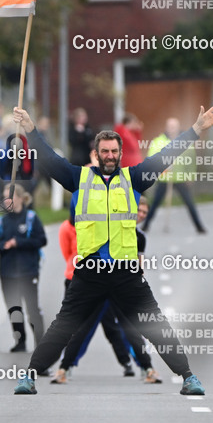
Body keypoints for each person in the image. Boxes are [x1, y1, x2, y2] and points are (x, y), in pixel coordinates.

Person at [10, 103, 213, 396]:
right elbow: (47, 159)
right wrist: (31, 130)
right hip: (90, 271)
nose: (110, 156)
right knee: (64, 327)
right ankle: (30, 376)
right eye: (105, 152)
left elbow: (165, 157)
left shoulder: (133, 178)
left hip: (126, 271)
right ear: (96, 154)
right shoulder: (78, 178)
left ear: (120, 154)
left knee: (155, 324)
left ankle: (188, 377)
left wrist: (196, 130)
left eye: (114, 151)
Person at [51, 161, 159, 384]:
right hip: (96, 280)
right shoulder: (109, 219)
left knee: (129, 327)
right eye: (139, 210)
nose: (141, 215)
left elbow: (139, 265)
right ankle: (64, 367)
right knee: (83, 327)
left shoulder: (139, 238)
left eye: (145, 213)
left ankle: (146, 367)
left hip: (122, 283)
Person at [0, 183, 46, 353]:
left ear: (21, 198)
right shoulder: (1, 221)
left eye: (11, 197)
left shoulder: (31, 218)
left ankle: (41, 344)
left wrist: (19, 243)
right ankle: (20, 341)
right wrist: (3, 246)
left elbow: (41, 240)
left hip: (28, 271)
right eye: (6, 197)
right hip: (7, 272)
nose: (8, 201)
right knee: (14, 308)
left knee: (32, 308)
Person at [141, 117, 206, 234]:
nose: (172, 129)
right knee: (155, 203)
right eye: (170, 126)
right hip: (165, 178)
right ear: (166, 127)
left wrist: (190, 176)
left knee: (189, 203)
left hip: (180, 178)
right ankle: (146, 225)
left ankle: (199, 226)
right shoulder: (159, 141)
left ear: (178, 127)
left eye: (174, 126)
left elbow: (191, 160)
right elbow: (152, 156)